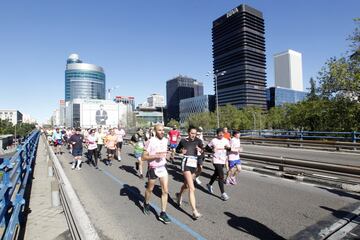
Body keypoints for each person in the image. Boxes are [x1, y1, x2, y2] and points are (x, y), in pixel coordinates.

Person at [141, 124, 171, 224]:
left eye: (163, 130)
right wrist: (155, 156)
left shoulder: (166, 140)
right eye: (159, 130)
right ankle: (146, 203)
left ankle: (163, 213)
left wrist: (170, 155)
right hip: (153, 168)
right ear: (155, 131)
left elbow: (166, 153)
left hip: (163, 167)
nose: (162, 132)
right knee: (150, 189)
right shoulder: (150, 141)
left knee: (165, 191)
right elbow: (143, 157)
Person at [175, 126, 203, 219]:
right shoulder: (183, 141)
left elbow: (203, 151)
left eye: (195, 133)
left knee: (186, 185)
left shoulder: (198, 141)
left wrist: (201, 150)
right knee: (192, 188)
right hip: (186, 163)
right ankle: (194, 211)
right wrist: (181, 151)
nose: (193, 135)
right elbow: (177, 150)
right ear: (188, 132)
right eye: (192, 133)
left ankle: (179, 195)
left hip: (193, 164)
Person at [206, 128, 231, 201]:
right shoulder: (214, 140)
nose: (221, 134)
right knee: (221, 175)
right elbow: (207, 148)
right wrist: (212, 150)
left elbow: (229, 149)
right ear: (217, 134)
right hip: (216, 159)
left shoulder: (226, 140)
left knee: (216, 173)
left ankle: (209, 184)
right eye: (219, 133)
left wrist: (228, 148)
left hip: (223, 159)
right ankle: (223, 193)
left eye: (222, 133)